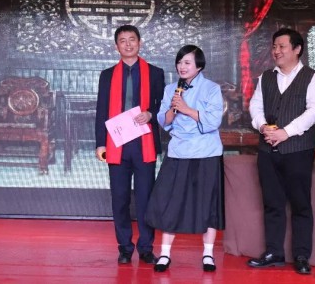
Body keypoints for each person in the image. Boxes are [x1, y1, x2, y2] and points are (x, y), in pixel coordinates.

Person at [247, 28, 315, 275]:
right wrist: (262, 126)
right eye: (274, 46)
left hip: (298, 150)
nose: (276, 51)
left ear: (297, 49)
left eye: (282, 46)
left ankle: (301, 255)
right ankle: (274, 252)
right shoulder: (266, 77)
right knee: (272, 202)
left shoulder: (313, 77)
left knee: (301, 204)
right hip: (268, 149)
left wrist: (286, 132)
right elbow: (255, 106)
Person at [145, 45, 225, 273]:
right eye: (180, 62)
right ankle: (165, 254)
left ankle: (208, 254)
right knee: (170, 202)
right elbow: (163, 120)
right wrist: (173, 108)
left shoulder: (211, 88)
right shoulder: (171, 89)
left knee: (208, 204)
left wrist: (187, 109)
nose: (182, 66)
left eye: (187, 62)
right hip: (178, 151)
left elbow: (213, 121)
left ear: (199, 66)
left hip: (206, 152)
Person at [95, 24, 165, 265]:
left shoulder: (155, 73)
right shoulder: (107, 75)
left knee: (145, 198)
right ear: (116, 46)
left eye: (132, 39)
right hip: (116, 144)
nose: (128, 44)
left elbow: (163, 105)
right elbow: (101, 110)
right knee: (120, 199)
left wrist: (151, 114)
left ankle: (146, 247)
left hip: (144, 142)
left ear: (140, 42)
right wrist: (100, 143)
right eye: (122, 40)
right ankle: (124, 248)